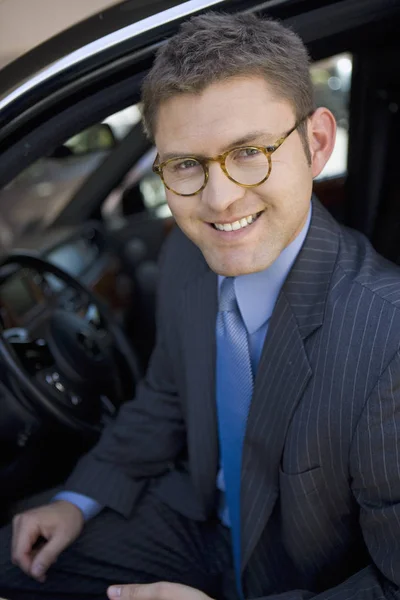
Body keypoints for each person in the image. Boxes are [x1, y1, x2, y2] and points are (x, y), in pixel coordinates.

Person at [1, 10, 400, 600]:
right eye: (187, 164)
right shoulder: (187, 257)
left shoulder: (387, 336)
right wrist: (77, 499)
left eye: (249, 152)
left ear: (315, 144)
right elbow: (165, 397)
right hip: (195, 515)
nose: (218, 200)